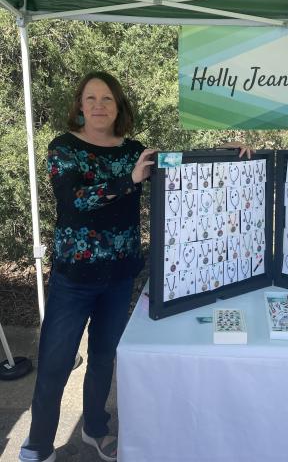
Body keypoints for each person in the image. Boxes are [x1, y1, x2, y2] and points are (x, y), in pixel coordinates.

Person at [19, 71, 250, 462]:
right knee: (55, 365)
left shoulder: (134, 151)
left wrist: (227, 152)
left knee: (103, 358)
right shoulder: (63, 148)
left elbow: (180, 165)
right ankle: (37, 446)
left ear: (118, 106)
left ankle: (95, 429)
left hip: (119, 277)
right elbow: (74, 200)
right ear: (79, 106)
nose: (98, 106)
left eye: (107, 99)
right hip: (73, 279)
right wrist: (128, 180)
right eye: (91, 99)